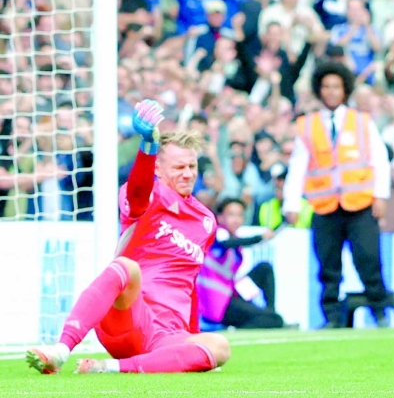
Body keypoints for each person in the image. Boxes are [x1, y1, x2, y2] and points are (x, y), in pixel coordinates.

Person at [27, 100, 231, 374]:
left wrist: (195, 339)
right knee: (127, 266)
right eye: (179, 167)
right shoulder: (147, 195)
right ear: (158, 168)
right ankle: (60, 350)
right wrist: (148, 147)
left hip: (167, 335)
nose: (187, 174)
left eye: (191, 166)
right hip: (129, 317)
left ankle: (109, 368)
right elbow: (137, 192)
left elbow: (190, 281)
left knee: (220, 347)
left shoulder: (205, 220)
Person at [283, 61, 393, 328]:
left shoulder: (361, 121)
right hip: (325, 207)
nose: (331, 92)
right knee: (328, 267)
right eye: (326, 87)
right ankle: (332, 317)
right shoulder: (306, 125)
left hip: (360, 204)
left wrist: (381, 195)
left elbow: (379, 158)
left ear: (345, 90)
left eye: (337, 87)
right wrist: (292, 203)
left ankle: (380, 312)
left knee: (369, 259)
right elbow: (298, 165)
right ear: (319, 91)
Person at [197, 198, 285, 330]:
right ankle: (259, 321)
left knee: (264, 269)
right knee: (274, 320)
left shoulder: (234, 240)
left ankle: (269, 312)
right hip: (218, 301)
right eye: (231, 214)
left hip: (231, 292)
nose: (236, 219)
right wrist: (260, 238)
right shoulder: (215, 234)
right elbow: (226, 243)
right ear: (220, 218)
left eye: (240, 215)